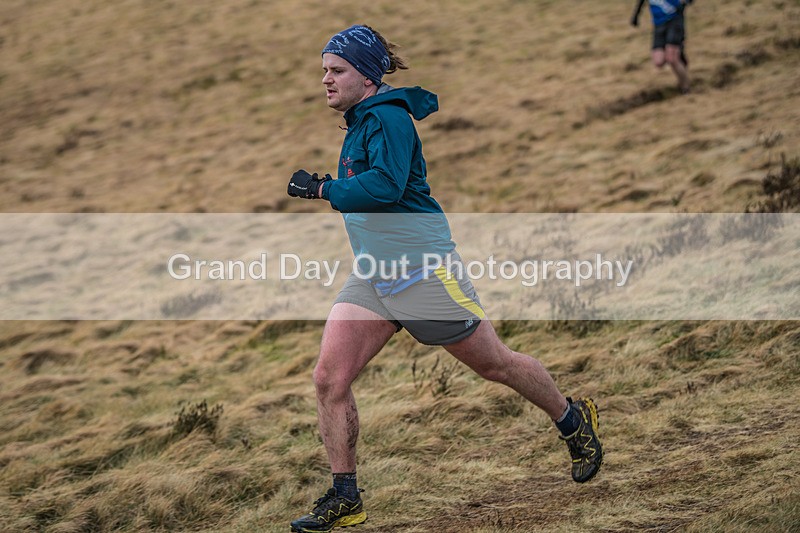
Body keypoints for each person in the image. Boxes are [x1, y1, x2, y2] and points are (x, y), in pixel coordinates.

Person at [285, 24, 603, 532]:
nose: (325, 79)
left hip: (425, 274)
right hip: (376, 277)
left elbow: (387, 187)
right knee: (329, 378)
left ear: (366, 76)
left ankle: (570, 418)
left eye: (336, 70)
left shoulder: (389, 118)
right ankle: (346, 495)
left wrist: (324, 188)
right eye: (324, 69)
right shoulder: (361, 120)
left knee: (496, 365)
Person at [631, 0, 693, 94]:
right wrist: (636, 16)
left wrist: (685, 3)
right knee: (658, 62)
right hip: (658, 24)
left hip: (674, 20)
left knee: (672, 59)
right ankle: (680, 55)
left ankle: (685, 88)